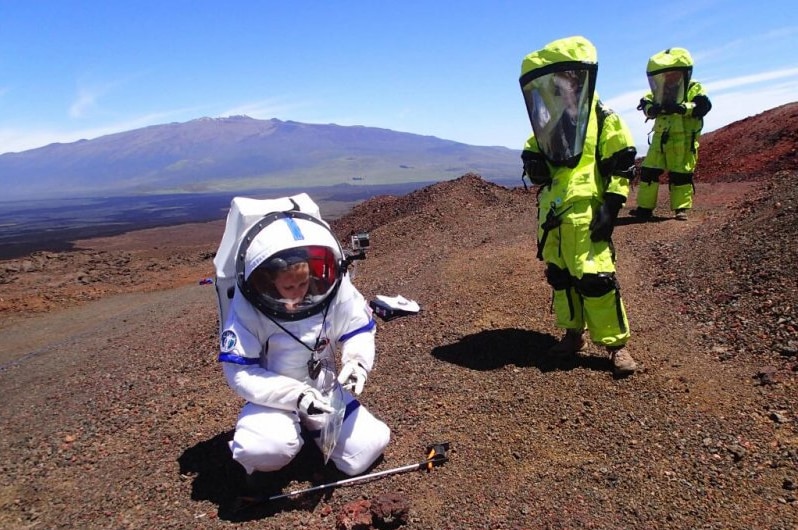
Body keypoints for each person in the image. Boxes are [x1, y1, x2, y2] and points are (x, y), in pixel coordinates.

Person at [217, 209, 390, 485]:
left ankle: (314, 430)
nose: (298, 291)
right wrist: (296, 396)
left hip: (323, 391)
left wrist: (357, 363)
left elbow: (357, 329)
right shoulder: (251, 307)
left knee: (369, 446)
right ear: (268, 281)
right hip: (273, 399)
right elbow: (240, 373)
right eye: (288, 287)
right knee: (263, 450)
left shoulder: (332, 289)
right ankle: (278, 447)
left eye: (303, 282)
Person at [519, 35, 638, 376]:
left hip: (588, 213)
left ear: (577, 79)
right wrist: (531, 159)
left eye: (564, 81)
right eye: (554, 83)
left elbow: (622, 163)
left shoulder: (602, 116)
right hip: (554, 214)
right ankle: (573, 335)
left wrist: (611, 207)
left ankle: (617, 347)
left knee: (597, 279)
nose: (560, 88)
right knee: (560, 277)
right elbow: (533, 146)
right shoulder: (552, 120)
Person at [633, 47, 712, 221]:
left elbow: (703, 105)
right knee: (649, 172)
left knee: (681, 175)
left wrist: (684, 108)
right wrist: (650, 109)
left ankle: (680, 209)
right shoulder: (660, 89)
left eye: (673, 73)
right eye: (666, 74)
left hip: (683, 140)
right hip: (661, 138)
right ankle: (644, 208)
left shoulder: (692, 87)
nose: (669, 77)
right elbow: (645, 101)